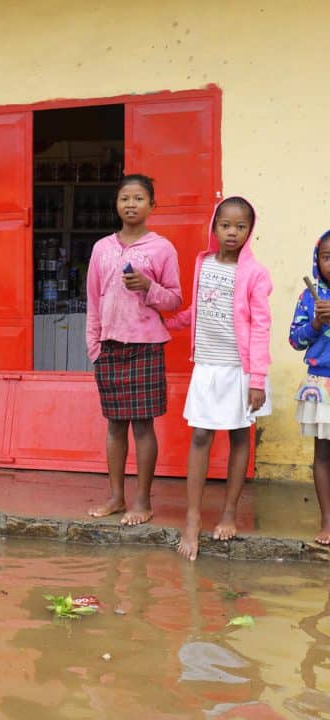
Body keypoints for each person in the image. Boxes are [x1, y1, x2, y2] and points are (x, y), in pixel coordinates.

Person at [170, 197, 272, 561]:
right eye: (226, 225)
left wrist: (257, 378)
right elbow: (198, 309)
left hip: (240, 369)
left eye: (241, 226)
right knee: (200, 435)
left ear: (250, 231)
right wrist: (168, 323)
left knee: (239, 435)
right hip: (207, 366)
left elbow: (261, 326)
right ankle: (193, 517)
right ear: (214, 227)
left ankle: (229, 511)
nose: (233, 232)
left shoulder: (256, 273)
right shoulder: (204, 263)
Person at [85, 174, 182, 525]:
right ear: (116, 204)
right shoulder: (101, 249)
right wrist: (94, 347)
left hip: (146, 346)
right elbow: (93, 300)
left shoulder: (162, 248)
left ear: (152, 206)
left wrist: (148, 286)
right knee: (114, 426)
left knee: (143, 426)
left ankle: (142, 501)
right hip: (109, 347)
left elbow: (174, 299)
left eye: (139, 198)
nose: (131, 204)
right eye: (125, 198)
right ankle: (116, 497)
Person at [288, 230, 330, 545]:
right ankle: (327, 521)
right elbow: (295, 340)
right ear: (317, 261)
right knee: (324, 455)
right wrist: (315, 324)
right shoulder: (310, 297)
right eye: (327, 257)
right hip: (322, 384)